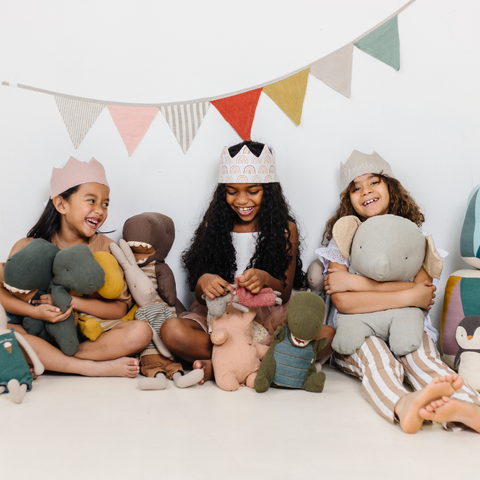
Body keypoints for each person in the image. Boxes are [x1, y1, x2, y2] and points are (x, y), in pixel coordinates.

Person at [316, 149, 480, 433]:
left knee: (423, 359)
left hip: (409, 328)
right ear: (348, 199)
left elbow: (423, 293)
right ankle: (403, 405)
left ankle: (466, 407)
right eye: (355, 188)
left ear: (390, 185)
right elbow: (343, 303)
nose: (365, 191)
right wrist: (408, 295)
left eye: (374, 182)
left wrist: (355, 283)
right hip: (357, 333)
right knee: (377, 360)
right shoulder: (342, 239)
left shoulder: (412, 236)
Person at [161, 141, 335, 384]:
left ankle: (223, 362)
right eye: (232, 191)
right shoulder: (214, 227)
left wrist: (264, 278)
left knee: (327, 335)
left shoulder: (286, 230)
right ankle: (264, 361)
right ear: (223, 193)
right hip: (221, 317)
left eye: (253, 191)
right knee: (172, 331)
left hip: (266, 317)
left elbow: (283, 294)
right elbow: (201, 297)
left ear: (269, 191)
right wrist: (204, 282)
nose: (242, 200)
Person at [0, 157, 152, 378]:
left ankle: (49, 360)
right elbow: (3, 294)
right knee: (6, 332)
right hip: (39, 331)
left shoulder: (107, 249)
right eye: (91, 201)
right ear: (61, 204)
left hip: (88, 336)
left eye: (105, 204)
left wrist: (69, 301)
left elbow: (119, 308)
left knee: (141, 332)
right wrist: (36, 312)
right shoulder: (29, 247)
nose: (100, 210)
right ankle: (90, 368)